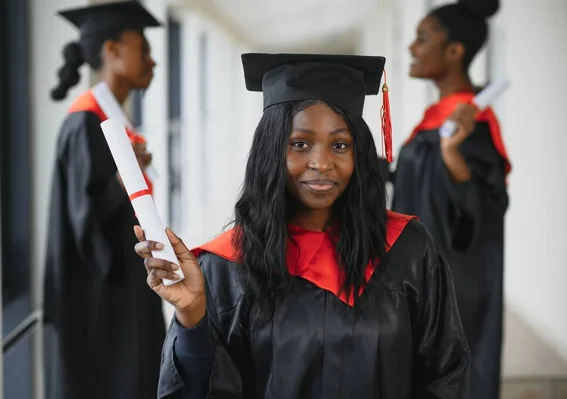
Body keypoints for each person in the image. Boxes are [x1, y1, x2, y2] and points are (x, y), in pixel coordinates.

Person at [134, 53, 470, 399]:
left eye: (340, 145)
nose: (321, 162)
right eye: (300, 144)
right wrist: (192, 317)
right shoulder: (224, 266)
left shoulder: (409, 250)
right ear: (271, 152)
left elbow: (445, 375)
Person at [381, 1, 511, 398]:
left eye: (422, 38)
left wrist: (453, 155)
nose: (411, 48)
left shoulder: (473, 125)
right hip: (419, 274)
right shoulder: (436, 119)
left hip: (455, 283)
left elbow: (487, 208)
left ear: (454, 51)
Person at [43, 2, 166, 398]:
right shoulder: (84, 123)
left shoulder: (112, 122)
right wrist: (122, 178)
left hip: (126, 291)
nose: (153, 60)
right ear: (112, 51)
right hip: (103, 305)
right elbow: (84, 222)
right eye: (142, 49)